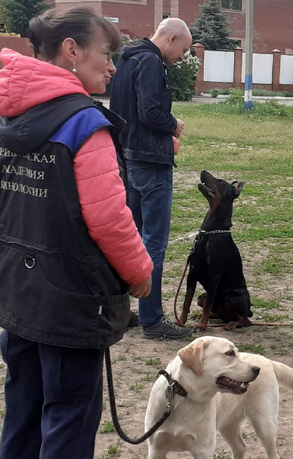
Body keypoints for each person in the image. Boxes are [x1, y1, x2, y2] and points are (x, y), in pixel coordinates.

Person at [0, 5, 153, 459]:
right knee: (68, 420)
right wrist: (139, 275)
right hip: (71, 299)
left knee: (24, 412)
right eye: (106, 55)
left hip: (18, 290)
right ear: (73, 51)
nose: (110, 68)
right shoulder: (84, 124)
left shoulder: (5, 118)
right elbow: (110, 219)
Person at [109, 18, 194, 340]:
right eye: (183, 50)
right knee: (153, 243)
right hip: (151, 163)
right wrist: (172, 124)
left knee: (128, 239)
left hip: (128, 158)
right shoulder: (151, 63)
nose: (182, 57)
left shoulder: (127, 59)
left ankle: (120, 311)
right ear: (171, 39)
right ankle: (152, 320)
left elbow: (124, 113)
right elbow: (150, 112)